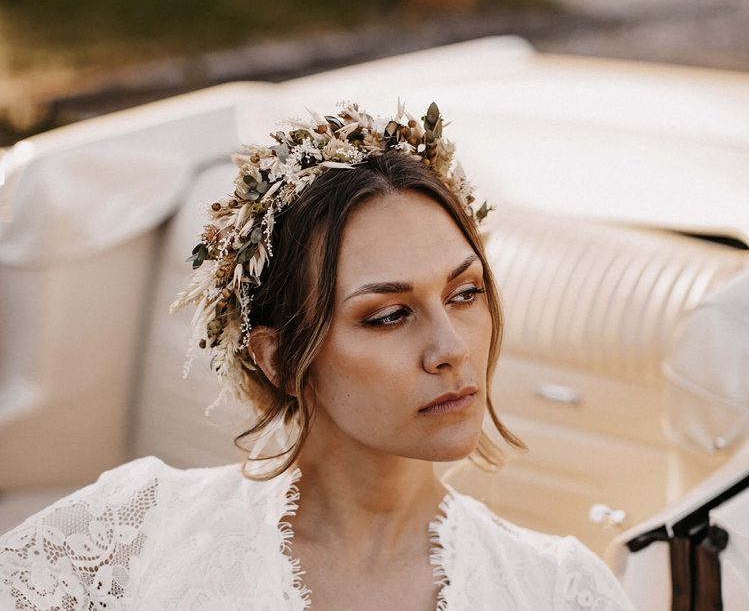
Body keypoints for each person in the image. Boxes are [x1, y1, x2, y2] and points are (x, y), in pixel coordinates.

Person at [0, 102, 635, 610]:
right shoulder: (129, 533)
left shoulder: (558, 590)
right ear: (277, 359)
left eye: (465, 293)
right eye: (388, 315)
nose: (450, 348)